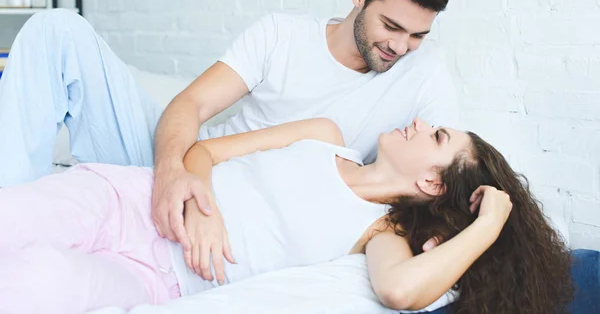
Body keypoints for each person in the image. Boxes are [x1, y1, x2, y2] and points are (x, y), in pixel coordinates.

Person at [0, 0, 457, 258]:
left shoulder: (425, 74)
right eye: (391, 27)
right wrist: (170, 173)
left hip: (241, 201)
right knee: (57, 31)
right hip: (183, 161)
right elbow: (189, 107)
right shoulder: (282, 35)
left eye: (417, 34)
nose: (399, 47)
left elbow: (450, 172)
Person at [0, 118, 573, 314]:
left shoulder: (383, 235)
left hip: (160, 282)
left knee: (30, 283)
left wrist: (490, 224)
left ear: (432, 181)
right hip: (130, 202)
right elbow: (204, 153)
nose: (420, 124)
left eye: (437, 135)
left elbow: (402, 293)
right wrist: (200, 204)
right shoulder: (324, 138)